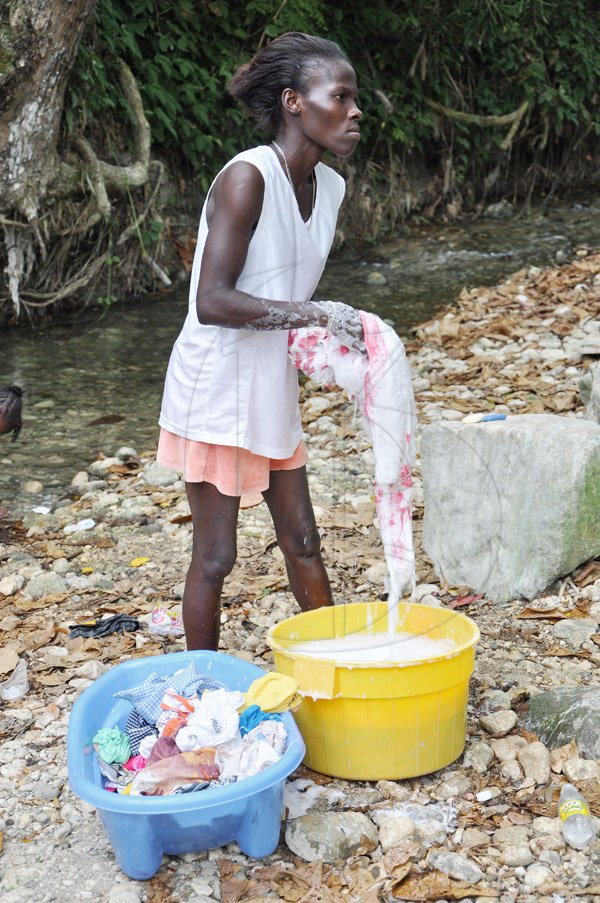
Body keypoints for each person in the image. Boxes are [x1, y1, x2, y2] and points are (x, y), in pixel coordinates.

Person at [157, 32, 364, 650]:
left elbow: (283, 288)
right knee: (216, 557)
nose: (356, 112)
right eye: (342, 97)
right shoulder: (247, 179)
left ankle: (334, 669)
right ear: (293, 101)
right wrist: (317, 314)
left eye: (357, 100)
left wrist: (330, 336)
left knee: (302, 540)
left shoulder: (331, 189)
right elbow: (212, 301)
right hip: (216, 385)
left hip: (272, 382)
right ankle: (200, 690)